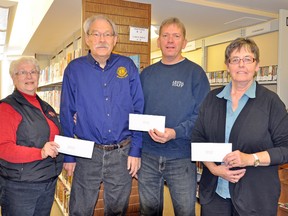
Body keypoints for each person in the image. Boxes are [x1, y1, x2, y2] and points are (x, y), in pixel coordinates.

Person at [192, 37, 288, 216]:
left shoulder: (271, 103)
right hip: (215, 194)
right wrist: (214, 168)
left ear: (257, 65)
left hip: (256, 197)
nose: (241, 65)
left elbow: (285, 148)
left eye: (247, 59)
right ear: (227, 66)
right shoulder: (213, 99)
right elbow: (197, 139)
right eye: (235, 60)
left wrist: (250, 159)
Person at [60, 15, 144, 216]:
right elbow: (66, 113)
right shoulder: (74, 69)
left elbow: (139, 109)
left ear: (115, 39)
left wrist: (136, 150)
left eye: (107, 34)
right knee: (80, 209)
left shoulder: (128, 66)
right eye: (96, 34)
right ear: (87, 39)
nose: (102, 39)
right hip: (87, 152)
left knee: (117, 210)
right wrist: (69, 155)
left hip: (122, 152)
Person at [138, 17, 210, 216]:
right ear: (159, 41)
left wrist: (175, 132)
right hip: (148, 155)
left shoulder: (196, 74)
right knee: (148, 211)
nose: (170, 40)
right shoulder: (146, 75)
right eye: (165, 36)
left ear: (184, 42)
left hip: (181, 156)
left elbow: (202, 115)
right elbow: (134, 111)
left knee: (185, 211)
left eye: (176, 36)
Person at [0, 57, 63, 216]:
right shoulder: (7, 107)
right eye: (23, 72)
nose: (29, 76)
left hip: (47, 182)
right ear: (14, 78)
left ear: (38, 76)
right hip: (21, 187)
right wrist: (40, 152)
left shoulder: (45, 106)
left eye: (33, 72)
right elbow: (3, 148)